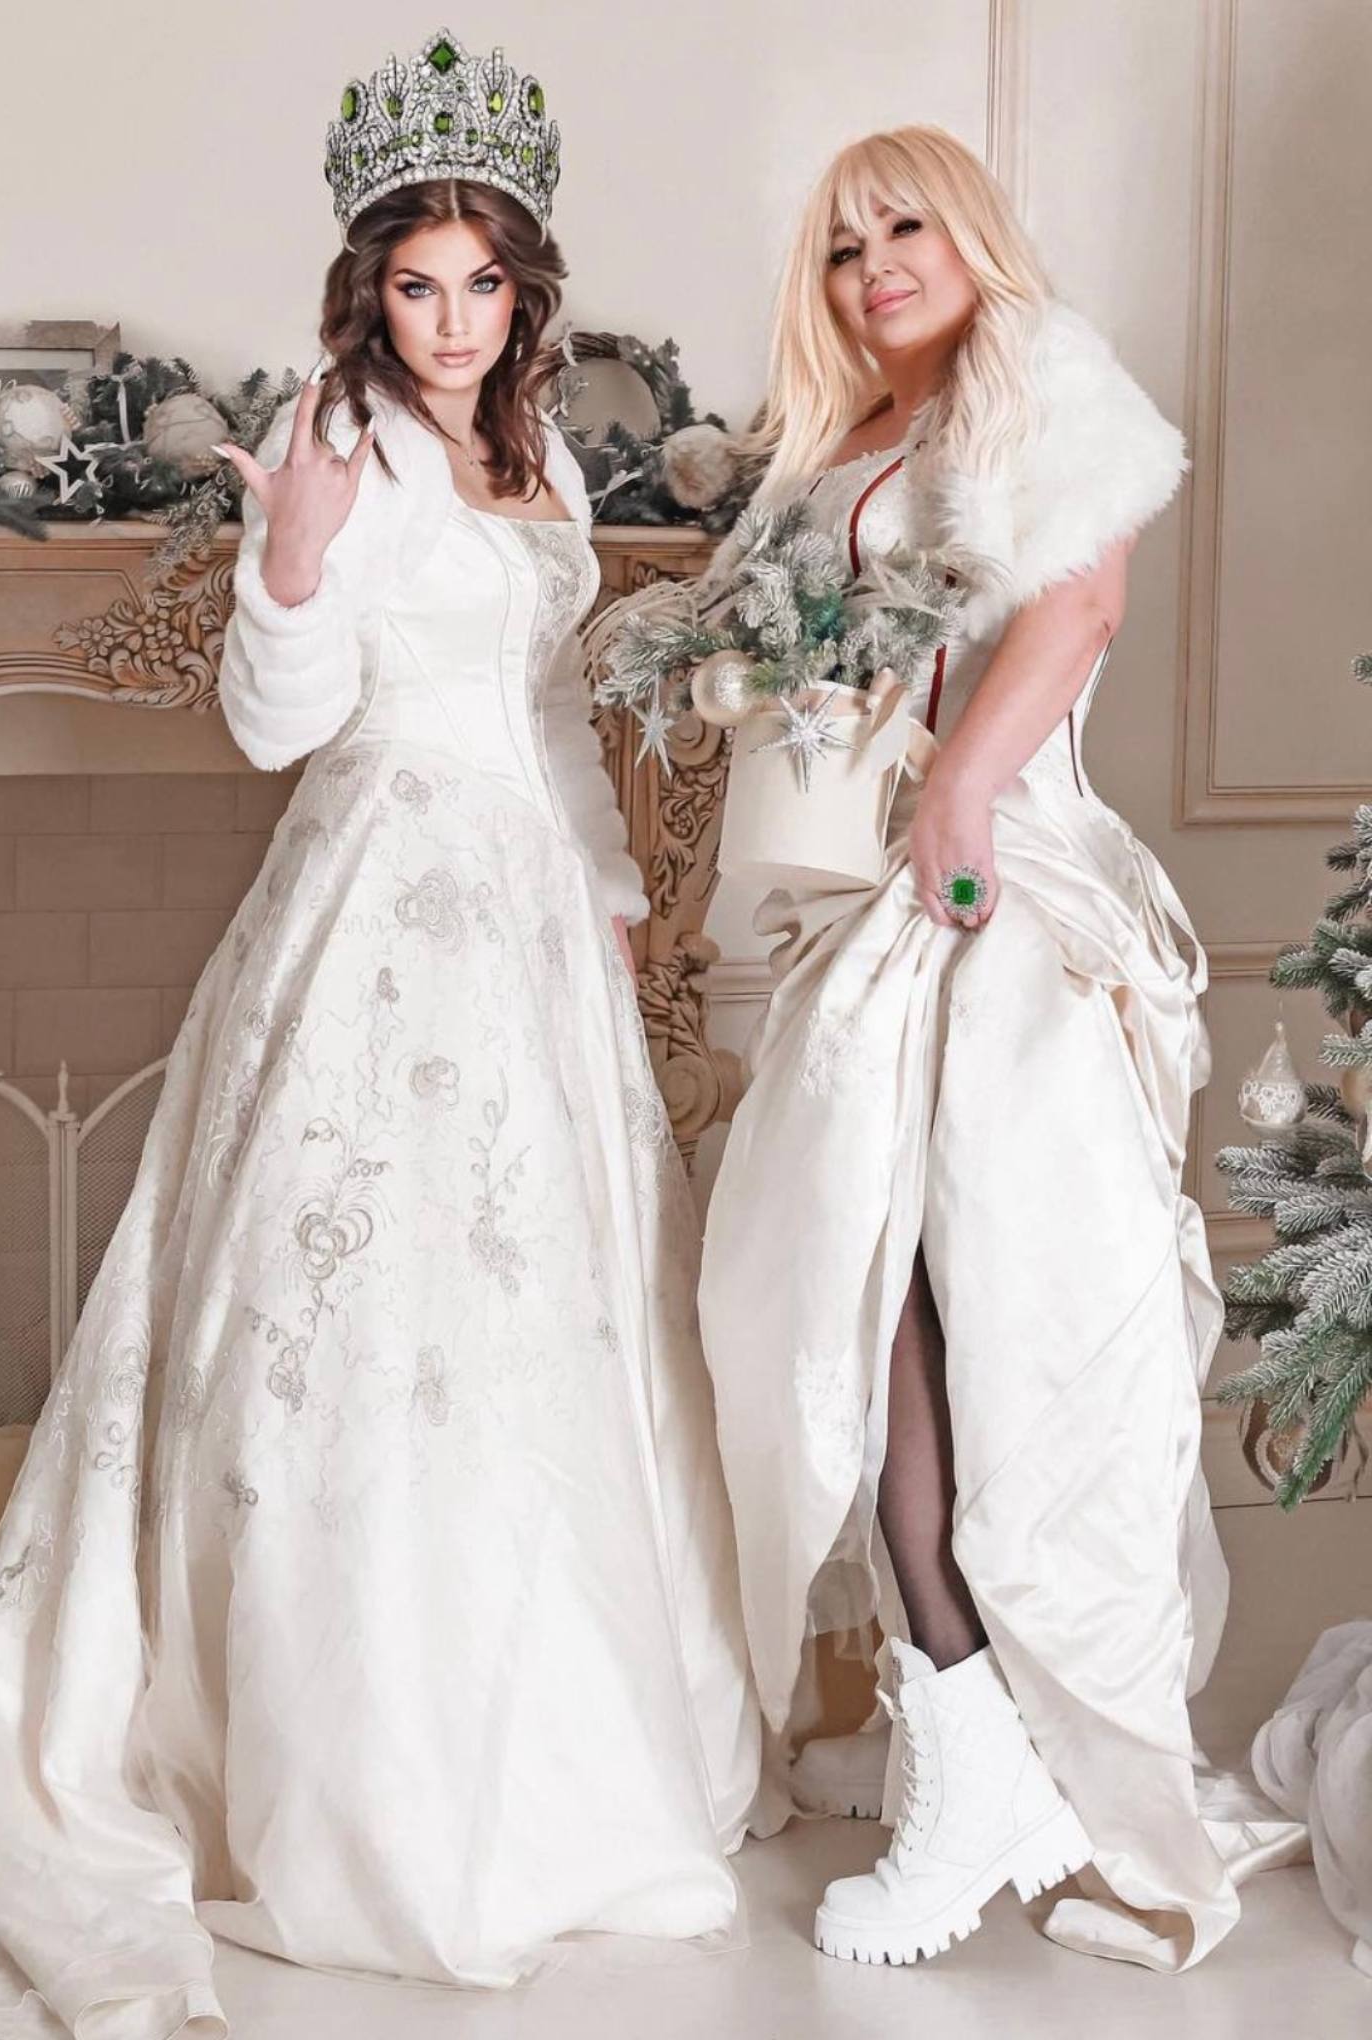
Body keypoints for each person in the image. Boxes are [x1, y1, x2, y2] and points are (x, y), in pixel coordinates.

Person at [0, 32, 762, 2038]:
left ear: (524, 290)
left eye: (483, 284)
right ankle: (357, 1778)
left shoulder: (542, 455)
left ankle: (562, 1762)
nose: (454, 322)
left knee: (535, 1313)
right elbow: (274, 723)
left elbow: (556, 715)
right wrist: (295, 557)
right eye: (418, 284)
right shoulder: (336, 433)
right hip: (377, 895)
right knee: (368, 1308)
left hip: (530, 924)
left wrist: (611, 897)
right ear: (369, 290)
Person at [697, 125, 1243, 1972]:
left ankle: (1019, 1766)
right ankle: (963, 1727)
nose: (876, 271)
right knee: (864, 1323)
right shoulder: (840, 439)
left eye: (904, 228)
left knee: (1014, 1332)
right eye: (843, 250)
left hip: (996, 894)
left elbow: (1079, 603)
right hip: (873, 906)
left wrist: (956, 795)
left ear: (972, 233)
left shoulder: (1037, 373)